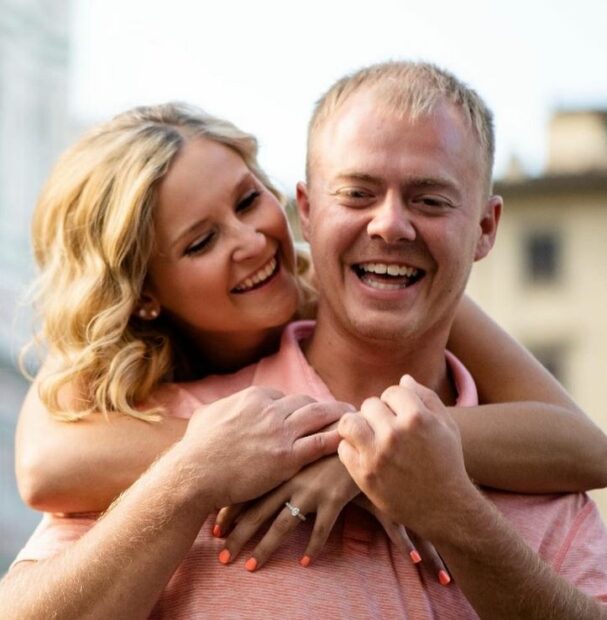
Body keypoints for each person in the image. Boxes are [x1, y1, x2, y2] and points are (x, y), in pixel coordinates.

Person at [1, 70, 606, 617]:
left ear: (484, 227)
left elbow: (590, 449)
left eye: (246, 202)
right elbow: (42, 465)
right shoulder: (167, 422)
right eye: (198, 242)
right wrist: (195, 472)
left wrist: (411, 479)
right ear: (311, 208)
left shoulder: (532, 464)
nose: (252, 242)